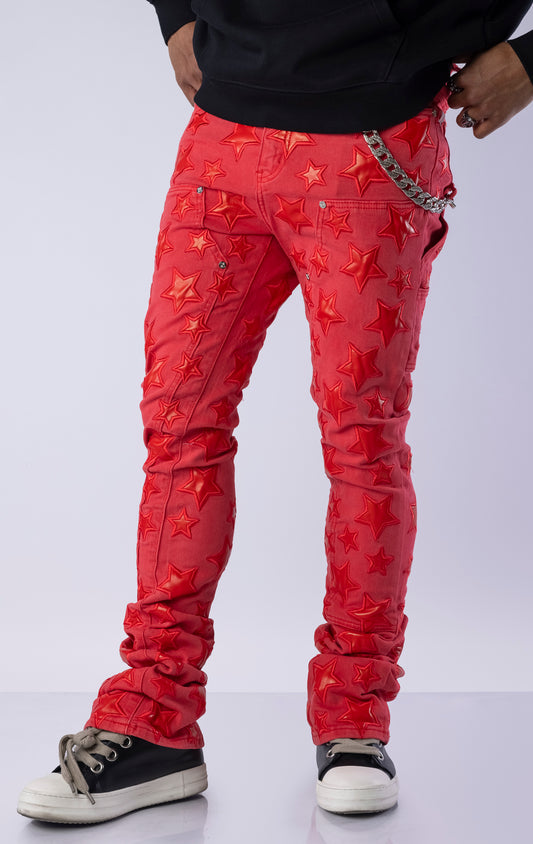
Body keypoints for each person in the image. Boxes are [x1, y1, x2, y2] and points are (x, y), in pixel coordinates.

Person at [17, 0, 533, 824]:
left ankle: (354, 721)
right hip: (221, 139)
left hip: (373, 139)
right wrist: (176, 13)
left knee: (360, 440)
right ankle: (153, 722)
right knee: (178, 427)